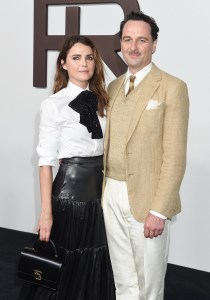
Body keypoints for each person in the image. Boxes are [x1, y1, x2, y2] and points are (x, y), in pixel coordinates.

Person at [18, 35, 115, 300]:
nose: (84, 64)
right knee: (64, 264)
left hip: (99, 198)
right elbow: (46, 161)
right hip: (68, 197)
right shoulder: (53, 104)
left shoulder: (104, 101)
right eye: (76, 58)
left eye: (89, 57)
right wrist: (46, 213)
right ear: (63, 64)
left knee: (96, 260)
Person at [102, 11, 189, 300]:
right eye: (128, 40)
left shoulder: (172, 87)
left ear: (154, 44)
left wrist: (160, 210)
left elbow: (175, 154)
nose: (134, 47)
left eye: (142, 40)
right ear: (121, 44)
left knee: (149, 285)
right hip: (111, 192)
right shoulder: (113, 88)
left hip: (148, 199)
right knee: (123, 279)